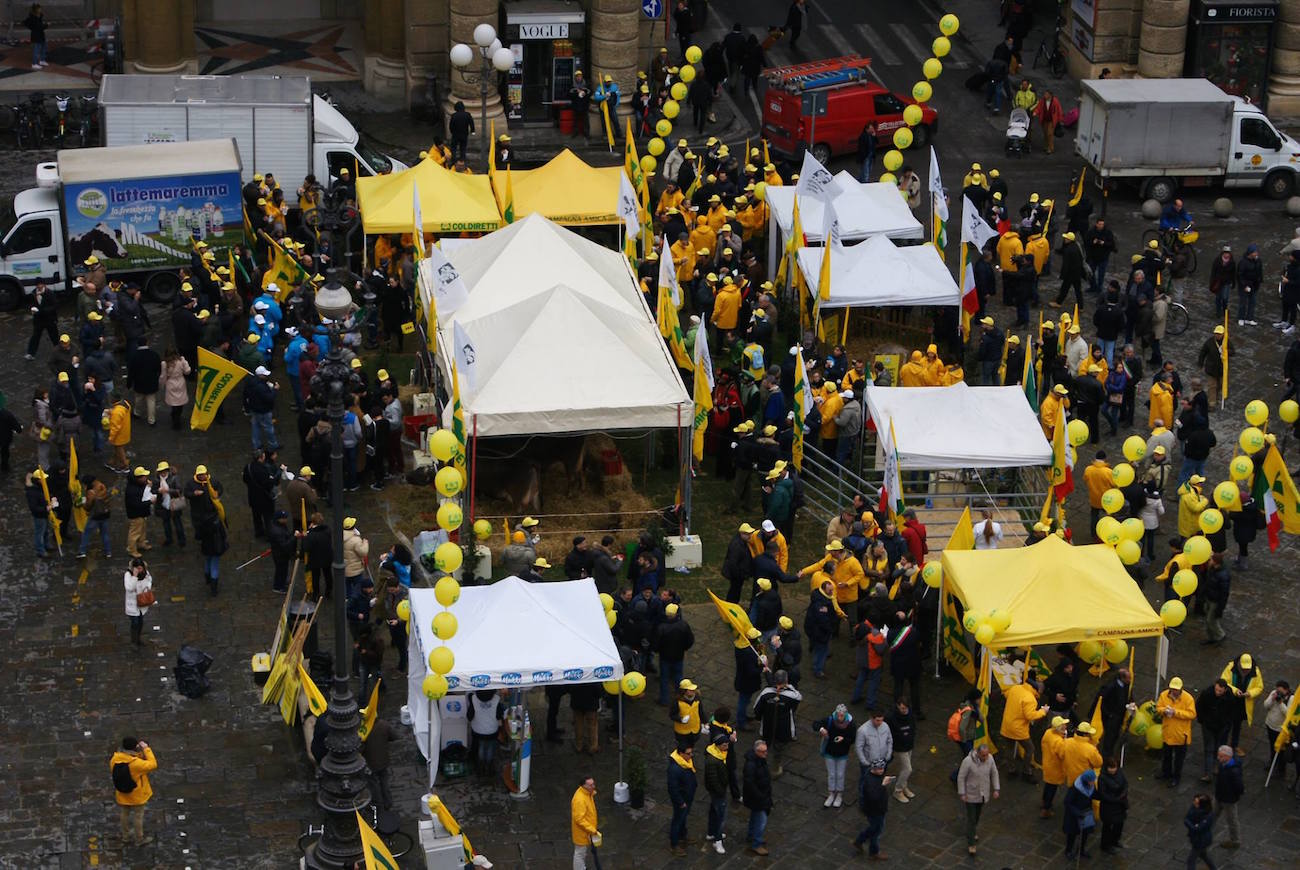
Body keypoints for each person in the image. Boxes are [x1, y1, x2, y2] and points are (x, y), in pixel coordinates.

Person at [999, 674, 1048, 782]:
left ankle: (1011, 769)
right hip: (1019, 729)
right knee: (1030, 749)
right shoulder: (1030, 698)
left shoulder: (1016, 688)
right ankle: (1027, 772)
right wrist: (1043, 711)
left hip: (1007, 725)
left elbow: (1006, 694)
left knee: (1009, 749)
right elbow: (1030, 716)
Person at [110, 736, 158, 846]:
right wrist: (146, 749)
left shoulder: (115, 759)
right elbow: (153, 764)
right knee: (138, 816)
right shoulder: (136, 764)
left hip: (122, 792)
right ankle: (139, 839)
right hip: (137, 794)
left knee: (124, 814)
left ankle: (125, 836)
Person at [754, 669, 802, 777]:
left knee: (765, 743)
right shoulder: (792, 696)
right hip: (784, 726)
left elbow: (757, 708)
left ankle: (761, 764)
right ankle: (775, 768)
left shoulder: (766, 693)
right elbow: (798, 696)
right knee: (779, 748)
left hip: (767, 724)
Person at [957, 744, 1000, 857]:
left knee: (977, 815)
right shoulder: (968, 762)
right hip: (970, 795)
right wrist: (962, 792)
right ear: (978, 753)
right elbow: (961, 777)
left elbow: (994, 773)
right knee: (971, 818)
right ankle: (971, 843)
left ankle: (972, 831)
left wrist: (996, 788)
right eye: (983, 755)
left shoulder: (990, 759)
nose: (986, 757)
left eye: (987, 755)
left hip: (982, 794)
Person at [814, 703, 858, 808]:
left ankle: (839, 794)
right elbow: (815, 724)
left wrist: (844, 739)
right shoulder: (829, 720)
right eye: (838, 715)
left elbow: (853, 739)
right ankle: (831, 793)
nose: (839, 717)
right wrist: (821, 729)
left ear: (845, 714)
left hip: (842, 753)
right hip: (829, 752)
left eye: (842, 715)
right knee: (832, 774)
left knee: (840, 774)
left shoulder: (851, 724)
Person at [1157, 676, 1197, 786]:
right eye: (1173, 689)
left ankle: (1176, 777)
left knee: (1179, 759)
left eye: (1176, 689)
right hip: (1168, 732)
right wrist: (1165, 711)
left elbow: (1192, 714)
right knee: (1166, 755)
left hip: (1180, 735)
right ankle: (1166, 773)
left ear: (1180, 689)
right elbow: (1159, 707)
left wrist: (1175, 712)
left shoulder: (1188, 699)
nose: (1174, 691)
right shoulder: (1164, 695)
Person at [1220, 652, 1264, 752]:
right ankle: (1222, 747)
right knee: (1226, 726)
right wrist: (1235, 690)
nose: (1246, 671)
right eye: (1244, 669)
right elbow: (1223, 681)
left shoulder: (1255, 671)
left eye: (1247, 669)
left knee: (1237, 726)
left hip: (1242, 704)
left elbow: (1259, 687)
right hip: (1230, 702)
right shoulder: (1231, 668)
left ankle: (1234, 746)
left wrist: (1250, 693)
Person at [1197, 679, 1236, 783]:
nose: (1217, 692)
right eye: (1216, 690)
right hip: (1208, 726)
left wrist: (1227, 725)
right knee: (1209, 749)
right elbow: (1199, 706)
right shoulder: (1207, 694)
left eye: (1220, 691)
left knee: (1219, 748)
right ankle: (1208, 773)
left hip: (1222, 728)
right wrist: (1203, 721)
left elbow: (1232, 713)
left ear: (1225, 689)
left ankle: (1216, 766)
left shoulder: (1230, 698)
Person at [852, 758, 893, 859]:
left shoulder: (875, 776)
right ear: (874, 769)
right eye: (879, 769)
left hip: (879, 808)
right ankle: (873, 851)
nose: (881, 771)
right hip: (874, 810)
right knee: (876, 830)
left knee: (875, 828)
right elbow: (873, 796)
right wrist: (883, 785)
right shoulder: (869, 780)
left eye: (882, 768)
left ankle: (860, 841)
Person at [656, 603, 695, 705]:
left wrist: (658, 651)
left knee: (664, 678)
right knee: (678, 676)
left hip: (665, 657)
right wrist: (684, 648)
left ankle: (664, 700)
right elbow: (690, 640)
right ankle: (681, 696)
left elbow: (656, 643)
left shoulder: (662, 627)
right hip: (679, 656)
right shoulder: (683, 625)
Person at [742, 739, 773, 856]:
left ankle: (751, 836)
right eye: (763, 751)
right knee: (761, 820)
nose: (766, 753)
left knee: (755, 817)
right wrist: (760, 796)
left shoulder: (759, 760)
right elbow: (750, 783)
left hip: (760, 796)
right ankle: (756, 843)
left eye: (766, 751)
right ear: (756, 752)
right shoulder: (751, 765)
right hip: (758, 798)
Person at [666, 743, 697, 856]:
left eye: (691, 753)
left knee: (683, 818)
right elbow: (672, 788)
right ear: (681, 753)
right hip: (681, 800)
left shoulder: (685, 762)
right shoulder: (675, 769)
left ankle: (683, 835)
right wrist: (680, 802)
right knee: (677, 820)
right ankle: (674, 845)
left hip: (687, 797)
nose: (691, 755)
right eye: (688, 754)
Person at [703, 732, 731, 853]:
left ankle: (711, 832)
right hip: (718, 792)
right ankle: (717, 841)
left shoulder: (718, 754)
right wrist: (720, 791)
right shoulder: (713, 761)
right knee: (721, 816)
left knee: (714, 811)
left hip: (717, 791)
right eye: (725, 745)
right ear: (718, 745)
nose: (727, 747)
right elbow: (713, 779)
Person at [885, 696, 917, 803]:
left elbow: (913, 726)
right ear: (898, 706)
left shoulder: (910, 713)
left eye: (906, 708)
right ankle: (898, 791)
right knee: (908, 769)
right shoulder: (891, 717)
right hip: (900, 747)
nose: (904, 710)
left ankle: (903, 786)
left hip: (909, 744)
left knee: (904, 768)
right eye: (902, 708)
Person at [1213, 744, 1243, 848]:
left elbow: (1239, 787)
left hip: (1229, 800)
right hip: (1219, 795)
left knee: (1232, 820)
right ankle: (1206, 832)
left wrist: (1234, 797)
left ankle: (1235, 840)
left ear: (1227, 757)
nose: (1218, 758)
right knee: (1212, 815)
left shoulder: (1234, 771)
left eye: (1221, 756)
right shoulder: (1223, 765)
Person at [570, 775, 600, 870]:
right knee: (580, 852)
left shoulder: (587, 794)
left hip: (586, 830)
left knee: (582, 852)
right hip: (582, 831)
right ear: (584, 786)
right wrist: (592, 830)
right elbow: (579, 819)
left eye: (593, 784)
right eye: (591, 785)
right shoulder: (580, 800)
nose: (593, 786)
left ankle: (581, 867)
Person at [123, 558, 154, 648]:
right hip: (132, 605)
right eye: (138, 568)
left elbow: (149, 581)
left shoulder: (145, 573)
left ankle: (138, 639)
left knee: (140, 622)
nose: (141, 570)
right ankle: (134, 641)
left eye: (142, 568)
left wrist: (146, 588)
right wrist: (135, 576)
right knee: (135, 623)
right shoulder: (128, 575)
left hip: (142, 602)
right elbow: (129, 588)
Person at [1184, 793, 1217, 869]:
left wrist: (1187, 822)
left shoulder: (1207, 817)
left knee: (1191, 861)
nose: (1194, 803)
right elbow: (1188, 816)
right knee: (1204, 855)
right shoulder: (1196, 808)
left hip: (1201, 841)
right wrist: (1191, 823)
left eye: (1196, 802)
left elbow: (1197, 829)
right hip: (1198, 839)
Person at [669, 678, 702, 750]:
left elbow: (701, 711)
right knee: (683, 748)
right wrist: (681, 719)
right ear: (684, 691)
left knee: (692, 745)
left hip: (695, 729)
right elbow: (672, 715)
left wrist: (705, 723)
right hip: (682, 732)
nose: (693, 691)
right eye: (690, 690)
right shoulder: (677, 702)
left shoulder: (697, 699)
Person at [23, 3, 46, 68]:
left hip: (41, 35)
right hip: (36, 36)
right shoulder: (33, 18)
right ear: (36, 10)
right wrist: (46, 25)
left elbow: (40, 26)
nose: (41, 9)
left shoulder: (39, 16)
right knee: (36, 50)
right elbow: (38, 26)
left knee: (43, 48)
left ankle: (42, 60)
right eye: (39, 8)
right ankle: (34, 63)